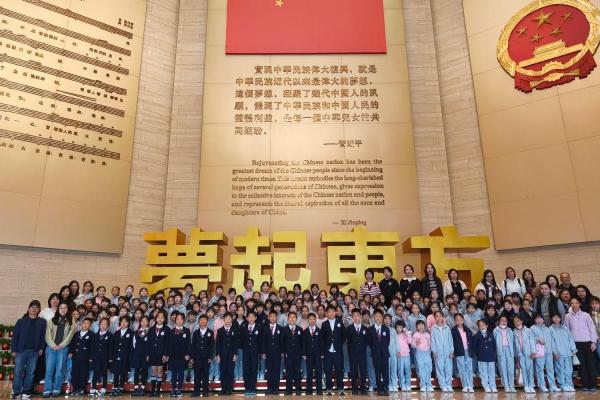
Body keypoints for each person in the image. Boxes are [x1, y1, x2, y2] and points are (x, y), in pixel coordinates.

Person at [11, 300, 47, 400]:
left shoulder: (42, 322)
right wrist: (13, 349)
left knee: (30, 373)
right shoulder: (21, 321)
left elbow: (43, 336)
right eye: (32, 307)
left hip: (34, 351)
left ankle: (26, 392)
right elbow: (15, 336)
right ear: (28, 309)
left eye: (36, 307)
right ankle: (16, 392)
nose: (34, 309)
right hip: (20, 351)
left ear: (39, 310)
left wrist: (41, 348)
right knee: (18, 372)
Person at [564, 297, 598, 391]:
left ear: (579, 304)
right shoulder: (567, 316)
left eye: (576, 303)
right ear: (570, 305)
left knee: (590, 364)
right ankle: (585, 385)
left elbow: (592, 328)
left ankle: (593, 385)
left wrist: (593, 342)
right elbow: (567, 331)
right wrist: (570, 345)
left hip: (587, 342)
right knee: (582, 365)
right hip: (575, 343)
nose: (574, 305)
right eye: (572, 303)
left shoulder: (586, 315)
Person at [43, 302, 75, 398]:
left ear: (67, 309)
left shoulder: (71, 320)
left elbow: (70, 335)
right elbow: (48, 334)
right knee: (49, 369)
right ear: (58, 309)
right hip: (51, 348)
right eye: (61, 308)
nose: (63, 309)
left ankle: (57, 388)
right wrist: (53, 345)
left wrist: (61, 345)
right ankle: (47, 389)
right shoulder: (52, 320)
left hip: (63, 348)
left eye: (65, 308)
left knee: (60, 369)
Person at [530, 313, 559, 392]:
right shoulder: (532, 328)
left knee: (550, 369)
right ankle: (542, 385)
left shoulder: (547, 329)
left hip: (548, 352)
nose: (539, 320)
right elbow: (530, 339)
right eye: (537, 318)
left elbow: (552, 341)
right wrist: (537, 339)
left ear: (543, 319)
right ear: (534, 320)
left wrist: (554, 351)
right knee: (540, 369)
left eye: (540, 318)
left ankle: (552, 385)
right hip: (539, 352)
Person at [321, 305, 345, 395]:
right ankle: (329, 389)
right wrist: (324, 348)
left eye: (332, 311)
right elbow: (322, 338)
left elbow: (344, 336)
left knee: (339, 370)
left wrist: (338, 344)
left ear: (335, 312)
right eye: (329, 312)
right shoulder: (324, 324)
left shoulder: (340, 322)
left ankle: (341, 388)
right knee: (328, 370)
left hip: (337, 351)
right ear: (326, 314)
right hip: (328, 352)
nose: (331, 313)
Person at [550, 313, 576, 392]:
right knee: (560, 369)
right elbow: (551, 342)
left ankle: (569, 384)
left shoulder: (565, 328)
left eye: (557, 317)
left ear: (560, 319)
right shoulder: (550, 329)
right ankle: (562, 385)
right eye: (554, 317)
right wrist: (555, 352)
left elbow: (570, 338)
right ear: (552, 319)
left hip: (568, 352)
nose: (556, 319)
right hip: (559, 353)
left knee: (569, 369)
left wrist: (573, 349)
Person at [168, 313, 191, 398]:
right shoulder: (171, 331)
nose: (179, 321)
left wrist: (188, 354)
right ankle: (173, 389)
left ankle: (180, 389)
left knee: (181, 373)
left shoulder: (187, 330)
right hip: (173, 355)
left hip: (183, 356)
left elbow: (188, 343)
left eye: (181, 319)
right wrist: (168, 355)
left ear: (184, 320)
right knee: (174, 374)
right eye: (177, 319)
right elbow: (169, 344)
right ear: (175, 320)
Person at [148, 310, 170, 397]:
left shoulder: (167, 329)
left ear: (164, 319)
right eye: (158, 317)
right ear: (155, 318)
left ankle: (158, 391)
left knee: (160, 371)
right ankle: (152, 390)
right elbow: (149, 343)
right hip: (152, 353)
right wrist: (148, 354)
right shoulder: (151, 329)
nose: (160, 319)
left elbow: (168, 343)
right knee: (153, 371)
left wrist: (165, 354)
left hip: (161, 354)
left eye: (162, 317)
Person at [367, 309, 389, 396]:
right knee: (377, 371)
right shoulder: (370, 329)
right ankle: (379, 389)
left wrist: (382, 348)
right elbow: (369, 342)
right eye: (376, 316)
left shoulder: (386, 329)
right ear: (373, 317)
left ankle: (386, 388)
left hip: (384, 354)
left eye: (380, 316)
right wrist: (376, 349)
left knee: (385, 371)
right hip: (375, 354)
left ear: (382, 318)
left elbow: (387, 341)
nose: (378, 318)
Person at [68, 317, 93, 396]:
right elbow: (72, 344)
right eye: (84, 323)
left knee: (83, 373)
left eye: (88, 324)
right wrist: (70, 352)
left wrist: (91, 357)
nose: (85, 325)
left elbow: (92, 347)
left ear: (90, 326)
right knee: (75, 373)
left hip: (85, 357)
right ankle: (75, 389)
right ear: (81, 324)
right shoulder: (76, 334)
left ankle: (82, 389)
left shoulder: (92, 335)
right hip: (76, 356)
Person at [345, 308, 368, 394]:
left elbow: (366, 342)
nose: (356, 318)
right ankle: (354, 388)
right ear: (352, 318)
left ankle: (363, 388)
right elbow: (348, 342)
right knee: (353, 371)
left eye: (357, 316)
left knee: (363, 371)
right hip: (353, 353)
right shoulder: (349, 328)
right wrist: (350, 352)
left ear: (360, 317)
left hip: (362, 353)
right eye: (354, 316)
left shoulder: (365, 328)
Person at [239, 311, 261, 396]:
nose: (251, 318)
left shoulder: (259, 327)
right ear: (247, 318)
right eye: (249, 316)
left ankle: (252, 388)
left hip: (255, 352)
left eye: (253, 316)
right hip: (246, 352)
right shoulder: (243, 328)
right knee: (246, 369)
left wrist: (260, 351)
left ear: (255, 318)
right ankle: (247, 388)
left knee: (254, 369)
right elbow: (241, 339)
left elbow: (261, 340)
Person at [191, 314, 214, 397]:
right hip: (197, 357)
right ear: (198, 321)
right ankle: (196, 391)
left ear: (207, 321)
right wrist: (192, 357)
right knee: (197, 374)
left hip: (206, 357)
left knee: (205, 374)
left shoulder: (210, 332)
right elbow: (193, 345)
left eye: (205, 320)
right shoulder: (195, 332)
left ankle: (205, 391)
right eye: (201, 320)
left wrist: (210, 357)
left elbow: (212, 346)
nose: (203, 321)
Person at [431, 311, 454, 392]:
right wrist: (434, 351)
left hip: (447, 352)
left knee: (448, 369)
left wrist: (451, 351)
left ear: (443, 317)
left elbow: (450, 340)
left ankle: (449, 385)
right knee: (440, 369)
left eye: (440, 316)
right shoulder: (433, 328)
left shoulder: (447, 328)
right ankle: (443, 385)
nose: (439, 318)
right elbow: (433, 340)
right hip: (438, 352)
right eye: (437, 316)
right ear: (435, 318)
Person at [451, 313, 474, 393]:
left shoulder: (467, 329)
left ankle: (470, 385)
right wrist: (452, 351)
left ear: (463, 320)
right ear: (455, 321)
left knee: (469, 368)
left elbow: (471, 341)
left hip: (468, 351)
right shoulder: (453, 330)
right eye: (457, 320)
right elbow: (452, 342)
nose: (459, 321)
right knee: (462, 368)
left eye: (461, 320)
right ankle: (465, 385)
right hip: (459, 351)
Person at [90, 318, 113, 397]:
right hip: (96, 357)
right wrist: (91, 357)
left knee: (104, 373)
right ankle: (93, 388)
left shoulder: (110, 335)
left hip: (105, 358)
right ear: (99, 325)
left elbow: (111, 348)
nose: (103, 326)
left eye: (105, 324)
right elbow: (92, 347)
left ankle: (103, 388)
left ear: (108, 325)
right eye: (102, 324)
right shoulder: (95, 335)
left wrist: (110, 358)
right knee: (95, 373)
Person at [513, 314, 536, 393]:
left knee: (530, 369)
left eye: (518, 321)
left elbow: (532, 341)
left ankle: (531, 385)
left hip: (529, 353)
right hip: (520, 354)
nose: (517, 323)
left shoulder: (528, 330)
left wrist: (533, 352)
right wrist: (516, 354)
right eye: (515, 322)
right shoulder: (513, 332)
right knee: (523, 369)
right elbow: (514, 344)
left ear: (522, 321)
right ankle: (526, 385)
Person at [216, 312, 237, 396]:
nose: (228, 320)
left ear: (232, 320)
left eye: (229, 318)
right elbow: (217, 344)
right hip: (222, 355)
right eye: (226, 318)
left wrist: (235, 354)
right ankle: (223, 389)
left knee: (230, 371)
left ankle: (229, 389)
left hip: (231, 355)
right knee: (223, 371)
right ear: (224, 320)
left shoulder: (234, 329)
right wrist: (218, 354)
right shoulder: (220, 330)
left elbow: (235, 343)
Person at [111, 316, 133, 397]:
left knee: (123, 372)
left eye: (126, 322)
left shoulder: (131, 333)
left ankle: (120, 388)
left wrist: (130, 357)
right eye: (122, 321)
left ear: (128, 323)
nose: (123, 323)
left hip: (125, 356)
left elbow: (132, 346)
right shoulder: (116, 333)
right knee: (116, 372)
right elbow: (113, 346)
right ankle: (115, 387)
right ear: (120, 322)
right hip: (116, 355)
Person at [473, 319, 497, 393]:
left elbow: (494, 345)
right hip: (481, 357)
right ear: (478, 327)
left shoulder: (490, 335)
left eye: (483, 325)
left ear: (487, 325)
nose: (482, 327)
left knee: (491, 372)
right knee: (483, 373)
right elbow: (474, 347)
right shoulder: (477, 336)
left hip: (491, 357)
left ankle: (493, 386)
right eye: (480, 325)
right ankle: (486, 386)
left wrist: (493, 354)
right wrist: (479, 354)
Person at [282, 311, 303, 395]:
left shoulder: (300, 329)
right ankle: (289, 389)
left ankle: (298, 389)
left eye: (294, 317)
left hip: (298, 354)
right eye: (290, 317)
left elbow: (302, 343)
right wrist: (283, 352)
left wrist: (302, 353)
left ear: (296, 319)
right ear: (288, 319)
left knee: (297, 371)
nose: (292, 319)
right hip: (288, 354)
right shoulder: (284, 329)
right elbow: (282, 342)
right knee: (289, 372)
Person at [492, 315, 515, 392]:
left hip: (509, 350)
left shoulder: (510, 330)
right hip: (500, 350)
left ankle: (512, 386)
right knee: (503, 368)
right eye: (502, 320)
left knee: (510, 369)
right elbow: (494, 342)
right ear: (499, 321)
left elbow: (513, 341)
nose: (504, 322)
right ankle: (506, 386)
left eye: (505, 320)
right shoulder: (495, 330)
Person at [262, 310, 282, 395]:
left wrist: (282, 352)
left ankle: (276, 388)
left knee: (277, 370)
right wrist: (263, 352)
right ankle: (269, 388)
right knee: (269, 370)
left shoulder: (280, 328)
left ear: (276, 317)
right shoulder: (265, 328)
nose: (273, 318)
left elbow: (282, 341)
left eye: (274, 316)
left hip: (277, 353)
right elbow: (263, 341)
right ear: (268, 317)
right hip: (268, 353)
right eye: (271, 316)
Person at [303, 313, 324, 395]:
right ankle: (309, 390)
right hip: (308, 355)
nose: (311, 320)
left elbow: (321, 343)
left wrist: (322, 353)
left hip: (318, 355)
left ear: (315, 320)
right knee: (309, 372)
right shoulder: (305, 331)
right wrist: (304, 354)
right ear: (308, 320)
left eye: (313, 319)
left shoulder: (319, 331)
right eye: (310, 319)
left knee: (319, 372)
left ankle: (319, 390)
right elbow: (304, 344)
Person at [131, 316, 150, 396]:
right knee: (136, 370)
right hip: (137, 354)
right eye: (142, 321)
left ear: (148, 322)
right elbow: (134, 343)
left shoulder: (150, 332)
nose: (144, 322)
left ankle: (142, 387)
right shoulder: (136, 332)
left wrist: (148, 354)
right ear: (140, 322)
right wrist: (137, 351)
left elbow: (151, 344)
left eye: (145, 321)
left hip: (145, 355)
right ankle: (135, 387)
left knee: (144, 370)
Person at [412, 320, 432, 392]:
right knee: (421, 369)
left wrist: (429, 352)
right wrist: (416, 344)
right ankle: (423, 385)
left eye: (422, 324)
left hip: (427, 353)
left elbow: (430, 344)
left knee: (428, 369)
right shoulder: (415, 335)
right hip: (419, 353)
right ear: (417, 327)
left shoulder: (427, 335)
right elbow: (413, 345)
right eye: (419, 325)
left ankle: (429, 385)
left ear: (424, 326)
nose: (420, 326)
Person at [392, 320, 411, 392]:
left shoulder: (405, 334)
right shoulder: (395, 335)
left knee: (407, 370)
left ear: (403, 328)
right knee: (400, 370)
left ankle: (408, 385)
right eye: (397, 327)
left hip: (406, 354)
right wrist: (397, 352)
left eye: (400, 327)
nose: (398, 329)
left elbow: (410, 341)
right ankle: (402, 385)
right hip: (399, 355)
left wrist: (407, 333)